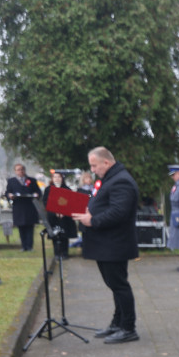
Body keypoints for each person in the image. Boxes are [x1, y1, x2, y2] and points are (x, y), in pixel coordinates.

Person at [73, 147, 140, 344]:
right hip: (107, 243)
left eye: (94, 166)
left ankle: (128, 328)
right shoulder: (111, 178)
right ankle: (117, 323)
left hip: (114, 244)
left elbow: (119, 212)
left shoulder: (121, 181)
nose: (93, 170)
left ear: (106, 163)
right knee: (114, 285)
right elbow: (103, 204)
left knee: (119, 285)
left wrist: (92, 220)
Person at [42, 172, 77, 259]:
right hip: (53, 216)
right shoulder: (48, 189)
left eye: (59, 177)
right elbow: (46, 202)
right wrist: (54, 212)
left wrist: (63, 212)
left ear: (62, 178)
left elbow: (70, 202)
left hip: (65, 217)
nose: (57, 179)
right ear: (52, 178)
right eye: (55, 177)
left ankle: (65, 253)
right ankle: (57, 253)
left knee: (64, 235)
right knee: (55, 235)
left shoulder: (67, 189)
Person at [6, 163, 40, 251]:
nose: (20, 171)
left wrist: (36, 194)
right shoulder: (11, 181)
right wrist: (9, 196)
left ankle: (30, 246)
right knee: (21, 227)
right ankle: (23, 246)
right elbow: (8, 192)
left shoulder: (31, 180)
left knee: (30, 227)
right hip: (18, 207)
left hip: (29, 207)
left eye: (22, 169)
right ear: (15, 171)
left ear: (24, 170)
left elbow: (38, 192)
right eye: (18, 170)